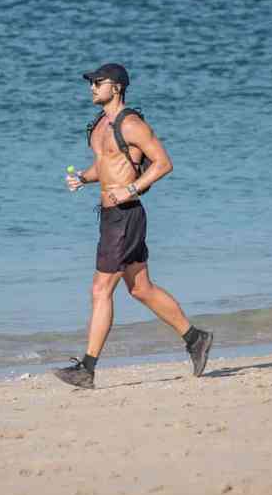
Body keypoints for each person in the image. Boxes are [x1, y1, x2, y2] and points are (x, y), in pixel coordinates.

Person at [53, 63, 213, 389]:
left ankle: (87, 368)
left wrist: (132, 188)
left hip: (126, 216)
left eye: (98, 82)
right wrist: (83, 178)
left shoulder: (132, 124)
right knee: (141, 288)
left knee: (100, 290)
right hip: (111, 218)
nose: (92, 87)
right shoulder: (100, 125)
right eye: (91, 83)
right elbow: (107, 165)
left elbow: (163, 163)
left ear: (117, 87)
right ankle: (196, 338)